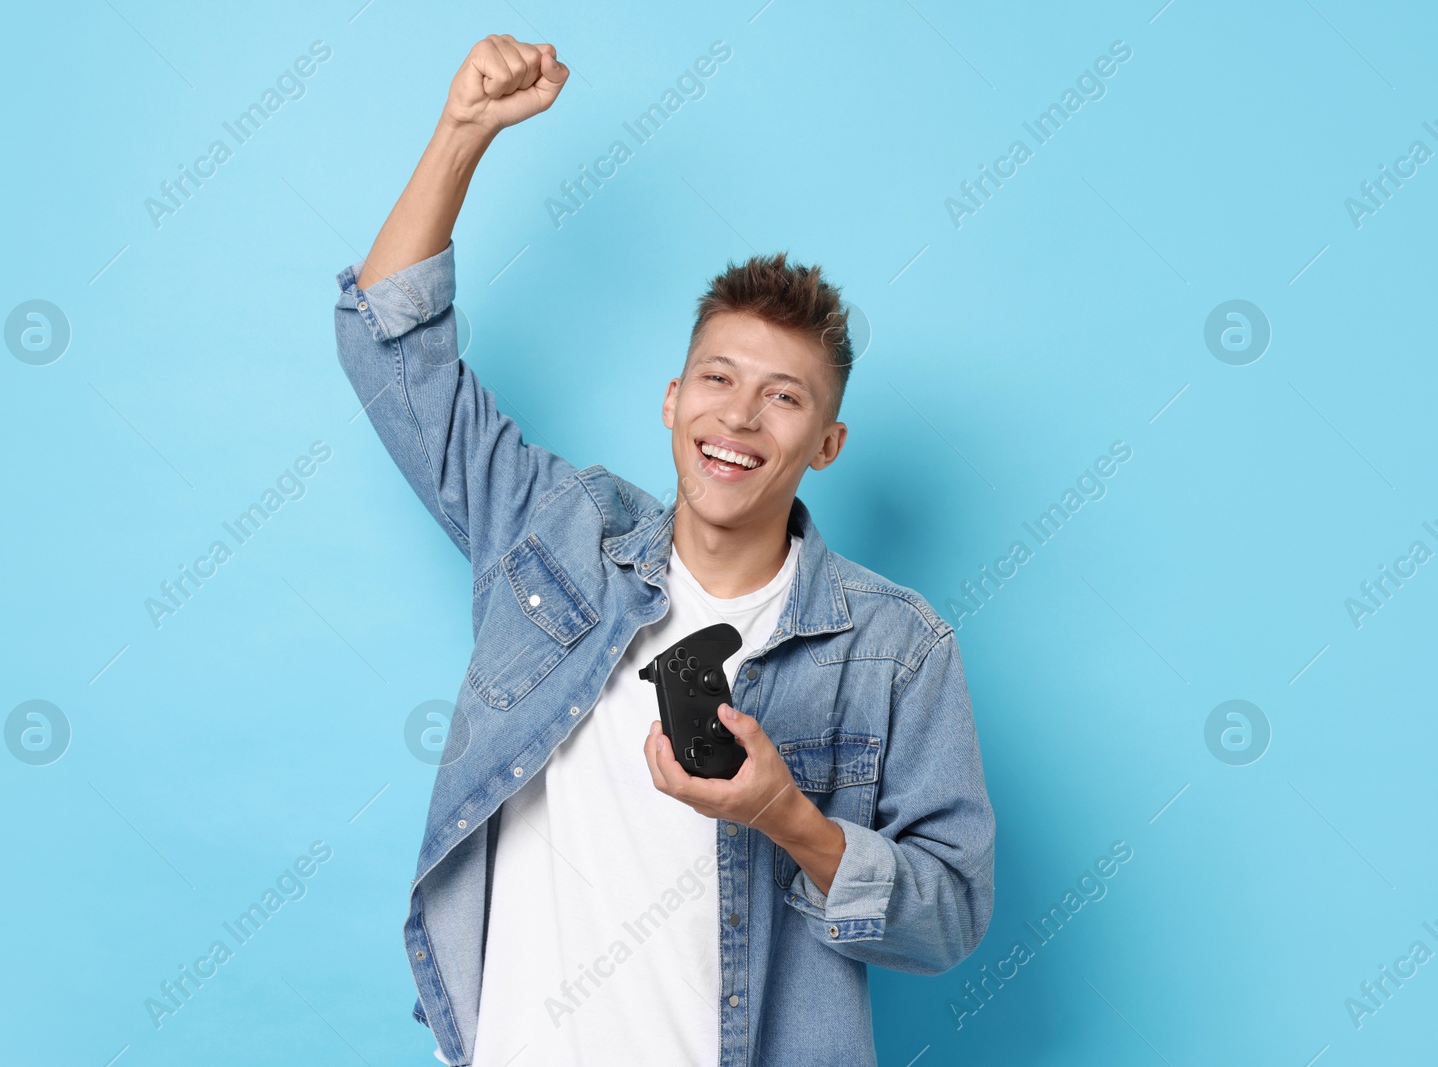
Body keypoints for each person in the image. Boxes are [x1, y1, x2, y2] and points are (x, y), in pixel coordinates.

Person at [333, 33, 995, 1067]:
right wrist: (462, 131)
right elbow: (392, 352)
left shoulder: (896, 648)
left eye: (784, 396)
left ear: (826, 444)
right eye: (717, 378)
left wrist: (788, 814)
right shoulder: (558, 533)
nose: (740, 416)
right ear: (672, 398)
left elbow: (946, 915)